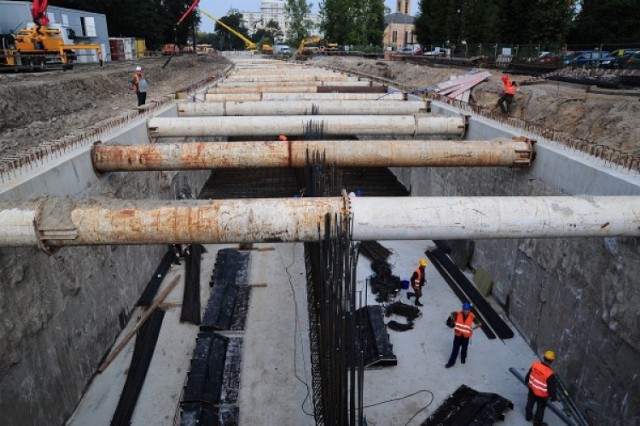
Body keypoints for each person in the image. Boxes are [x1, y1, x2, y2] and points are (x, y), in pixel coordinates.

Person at [525, 350, 557, 426]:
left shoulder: (535, 365)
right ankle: (537, 423)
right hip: (542, 396)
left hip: (532, 390)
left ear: (543, 357)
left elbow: (528, 375)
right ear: (552, 361)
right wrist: (553, 397)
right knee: (540, 409)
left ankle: (528, 417)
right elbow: (552, 388)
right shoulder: (550, 373)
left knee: (530, 403)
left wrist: (526, 381)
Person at [445, 302, 482, 368]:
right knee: (455, 349)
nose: (466, 311)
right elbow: (452, 314)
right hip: (458, 335)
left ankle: (463, 357)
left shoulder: (472, 316)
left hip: (466, 336)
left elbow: (480, 324)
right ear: (463, 309)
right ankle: (451, 362)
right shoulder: (458, 314)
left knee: (464, 348)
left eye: (467, 310)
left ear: (470, 310)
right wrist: (452, 320)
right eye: (465, 310)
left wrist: (473, 328)